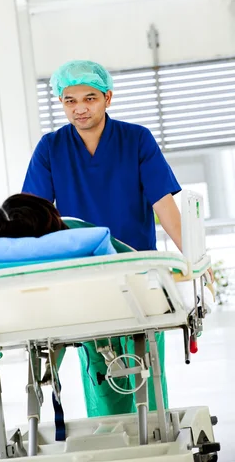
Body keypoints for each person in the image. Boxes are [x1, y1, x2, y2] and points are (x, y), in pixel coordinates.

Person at [22, 60, 183, 417]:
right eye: (69, 100)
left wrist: (193, 256)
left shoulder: (136, 139)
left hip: (138, 271)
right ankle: (111, 440)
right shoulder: (50, 148)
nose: (80, 108)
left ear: (107, 98)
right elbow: (34, 215)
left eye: (89, 98)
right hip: (85, 277)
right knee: (100, 369)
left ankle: (156, 434)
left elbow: (164, 203)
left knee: (148, 368)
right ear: (61, 103)